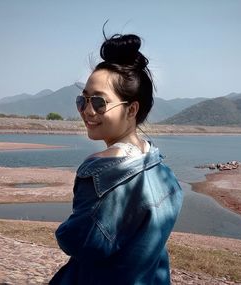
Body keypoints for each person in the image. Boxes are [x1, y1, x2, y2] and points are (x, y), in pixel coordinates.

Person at [50, 31, 183, 285]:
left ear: (131, 109)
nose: (88, 111)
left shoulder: (100, 171)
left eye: (99, 102)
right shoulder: (160, 168)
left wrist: (64, 232)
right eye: (83, 100)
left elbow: (82, 242)